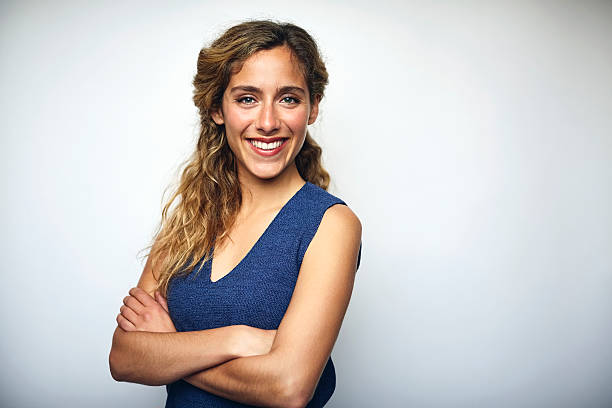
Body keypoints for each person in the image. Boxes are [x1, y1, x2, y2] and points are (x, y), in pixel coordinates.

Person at [108, 20, 362, 408]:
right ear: (216, 108)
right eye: (247, 98)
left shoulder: (330, 225)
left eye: (289, 99)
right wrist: (239, 338)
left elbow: (288, 387)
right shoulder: (189, 219)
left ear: (312, 109)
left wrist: (170, 348)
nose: (267, 122)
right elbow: (124, 358)